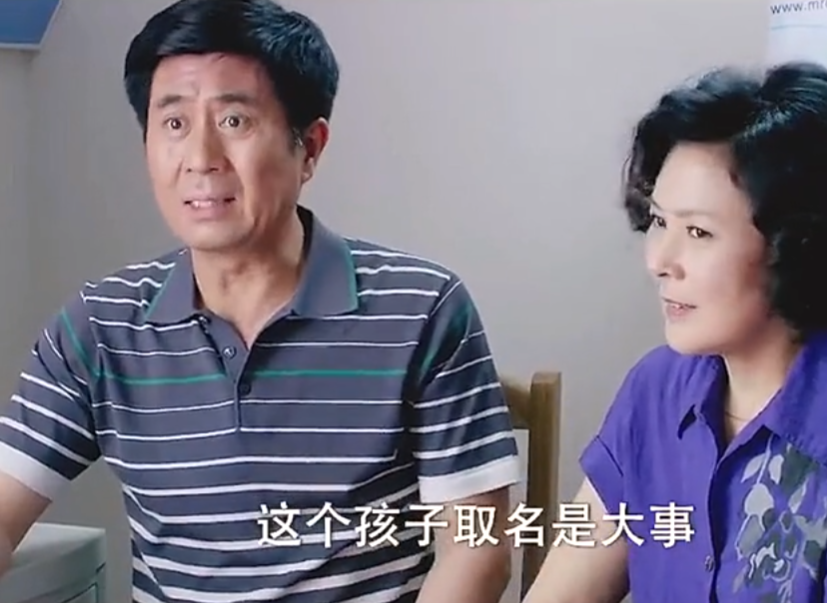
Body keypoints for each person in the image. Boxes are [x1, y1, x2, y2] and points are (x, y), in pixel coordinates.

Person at [0, 0, 520, 601]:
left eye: (234, 121)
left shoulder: (422, 308)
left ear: (310, 148)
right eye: (174, 124)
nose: (201, 158)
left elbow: (479, 551)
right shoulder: (100, 326)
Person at [524, 62, 827, 603]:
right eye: (659, 222)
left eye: (699, 232)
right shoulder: (656, 391)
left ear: (798, 246)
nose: (659, 260)